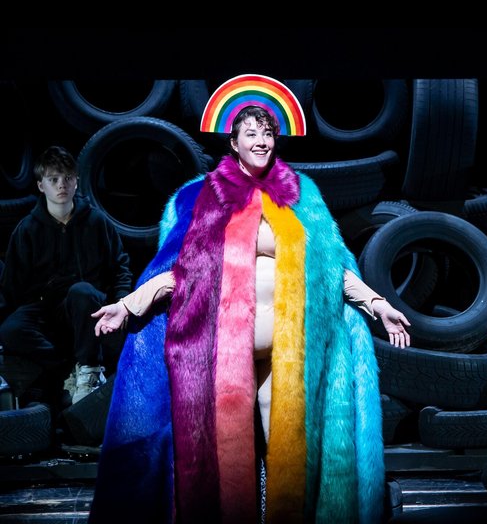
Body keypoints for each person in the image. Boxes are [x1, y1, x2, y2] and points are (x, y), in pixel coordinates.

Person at [88, 82, 411, 524]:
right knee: (225, 458)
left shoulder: (302, 195)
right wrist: (128, 306)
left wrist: (378, 305)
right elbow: (177, 273)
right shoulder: (202, 197)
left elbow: (331, 269)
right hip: (223, 355)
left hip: (287, 353)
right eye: (252, 134)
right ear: (233, 142)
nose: (261, 142)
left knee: (289, 452)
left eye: (268, 134)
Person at [0, 146, 132, 408]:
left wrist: (121, 303)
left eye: (67, 178)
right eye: (53, 179)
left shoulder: (96, 222)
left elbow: (120, 267)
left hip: (88, 306)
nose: (61, 185)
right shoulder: (27, 230)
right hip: (47, 309)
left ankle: (90, 369)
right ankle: (70, 368)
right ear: (41, 186)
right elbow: (12, 285)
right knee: (10, 329)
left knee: (81, 291)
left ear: (76, 182)